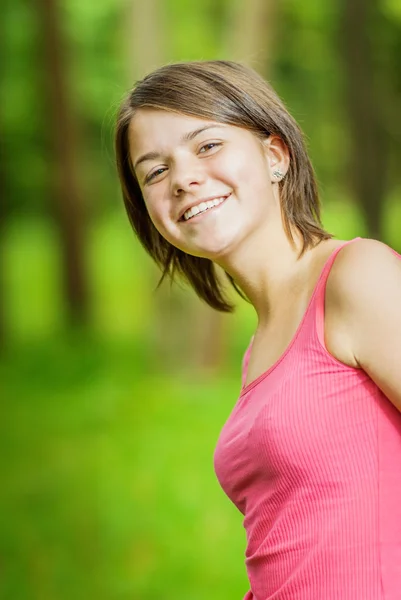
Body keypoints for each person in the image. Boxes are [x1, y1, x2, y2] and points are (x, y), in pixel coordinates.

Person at [115, 60, 401, 599]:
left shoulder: (357, 277)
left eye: (207, 146)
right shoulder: (262, 346)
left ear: (275, 154)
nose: (183, 178)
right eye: (155, 171)